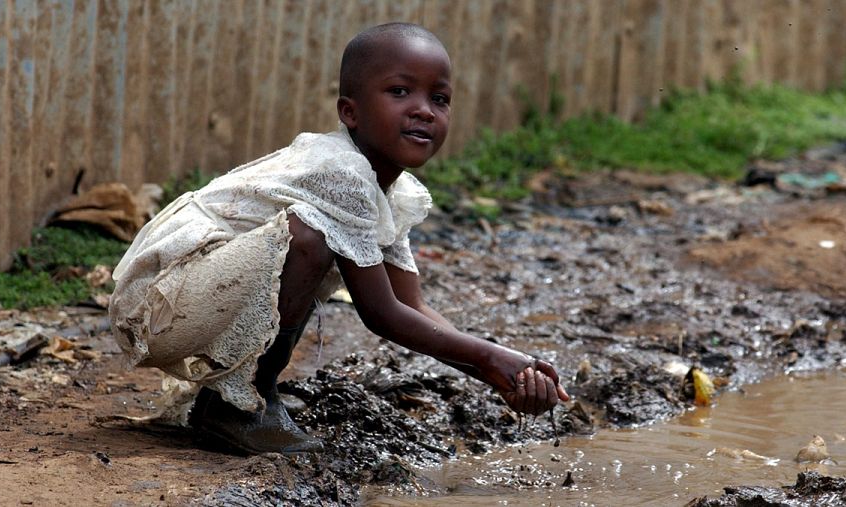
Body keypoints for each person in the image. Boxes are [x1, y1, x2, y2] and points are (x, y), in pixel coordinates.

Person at [109, 22, 570, 455]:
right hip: (156, 302)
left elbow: (412, 307)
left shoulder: (391, 188)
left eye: (440, 99)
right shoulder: (341, 172)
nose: (423, 110)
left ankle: (241, 398)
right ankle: (238, 406)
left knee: (315, 241)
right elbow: (381, 314)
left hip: (196, 294)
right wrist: (491, 357)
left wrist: (503, 371)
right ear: (349, 111)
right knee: (305, 239)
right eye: (399, 91)